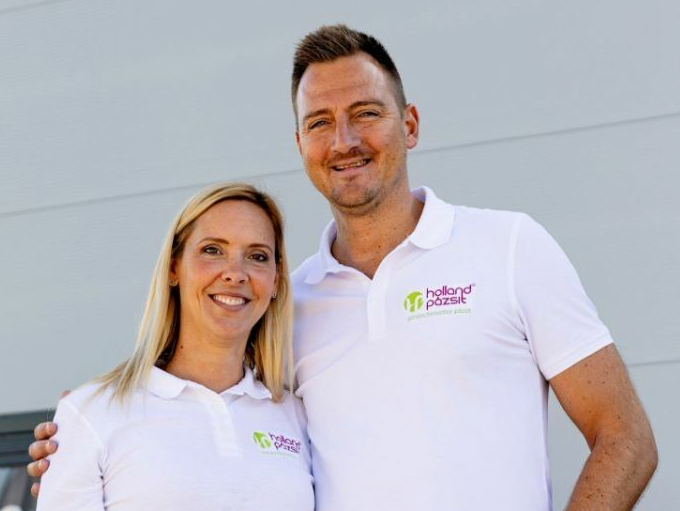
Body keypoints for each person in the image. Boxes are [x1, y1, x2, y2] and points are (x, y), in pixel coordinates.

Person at [29, 25, 656, 511]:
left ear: (410, 124)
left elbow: (625, 436)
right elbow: (200, 405)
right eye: (320, 123)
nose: (344, 141)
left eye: (366, 113)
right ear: (301, 144)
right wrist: (86, 430)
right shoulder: (288, 304)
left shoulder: (510, 246)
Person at [33, 183, 314, 511]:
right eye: (213, 250)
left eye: (257, 256)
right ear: (174, 267)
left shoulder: (298, 416)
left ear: (276, 280)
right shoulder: (91, 412)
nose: (235, 274)